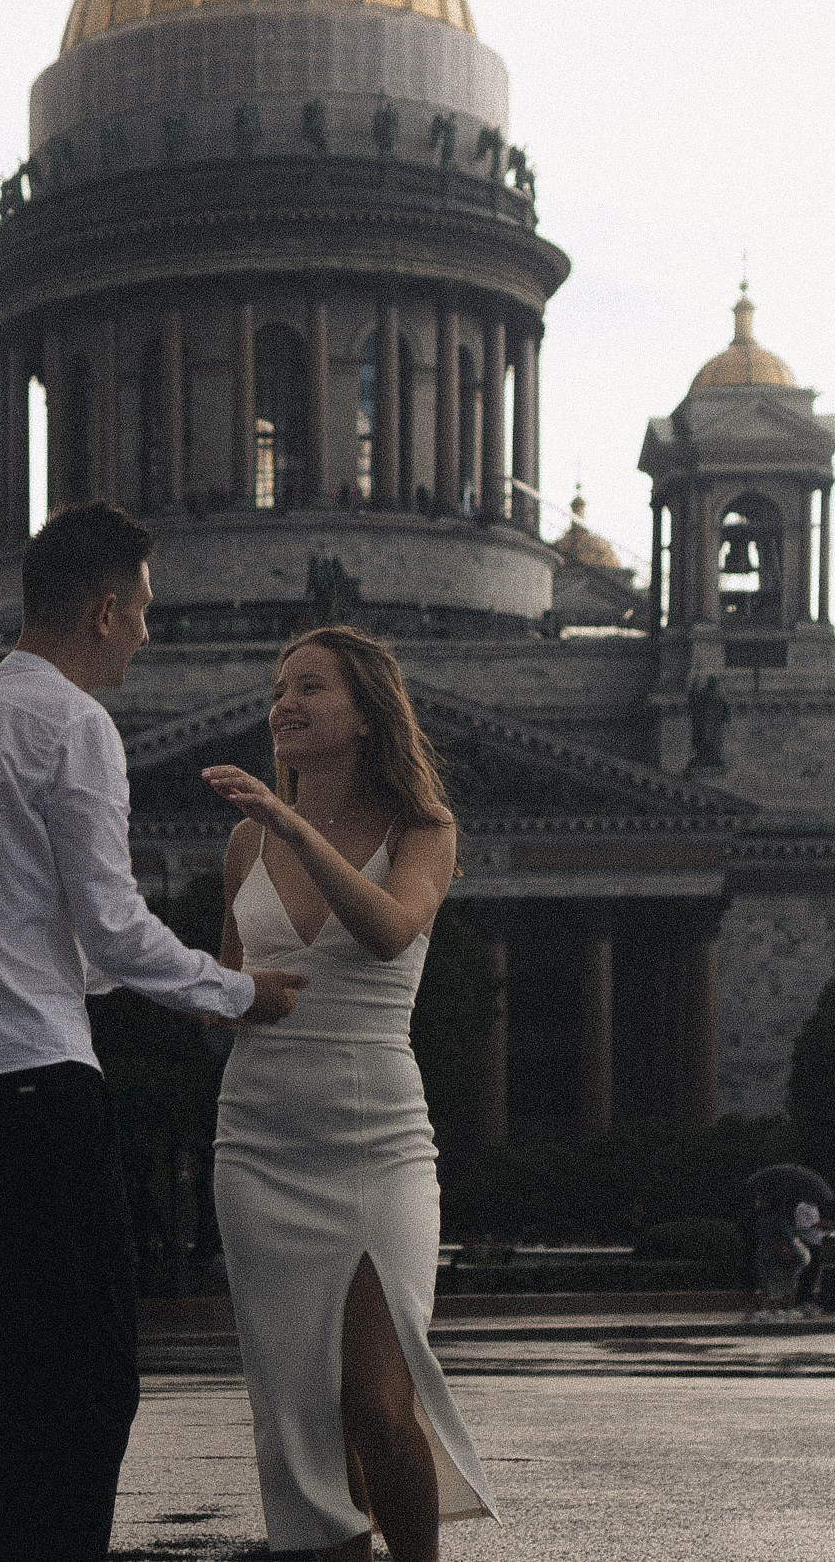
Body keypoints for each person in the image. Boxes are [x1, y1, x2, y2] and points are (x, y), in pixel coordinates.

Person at [0, 501, 305, 1561]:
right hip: (31, 1086)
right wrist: (243, 992)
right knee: (87, 1388)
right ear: (107, 610)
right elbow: (111, 932)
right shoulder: (71, 725)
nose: (150, 634)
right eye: (147, 612)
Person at [201, 625, 496, 1561]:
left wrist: (293, 825)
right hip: (259, 1142)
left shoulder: (425, 831)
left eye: (311, 689)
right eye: (279, 686)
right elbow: (230, 988)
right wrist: (192, 985)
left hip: (378, 1138)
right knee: (299, 1416)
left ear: (365, 716)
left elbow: (389, 929)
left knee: (378, 1395)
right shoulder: (243, 841)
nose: (284, 703)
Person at [791, 1195, 826, 1312]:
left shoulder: (815, 1207)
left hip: (817, 1241)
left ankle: (808, 1299)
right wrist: (816, 1225)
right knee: (807, 1272)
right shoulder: (802, 1207)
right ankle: (801, 1300)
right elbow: (801, 1226)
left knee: (814, 1272)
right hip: (807, 1241)